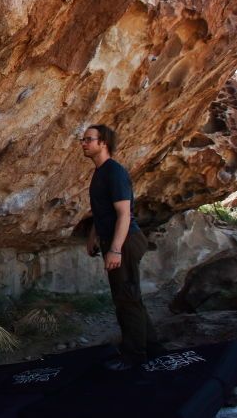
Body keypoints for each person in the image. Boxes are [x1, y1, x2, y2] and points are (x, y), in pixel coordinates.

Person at [81, 124, 163, 371]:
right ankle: (153, 347)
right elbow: (102, 211)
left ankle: (134, 356)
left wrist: (115, 249)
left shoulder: (114, 172)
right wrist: (93, 236)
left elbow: (123, 214)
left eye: (88, 139)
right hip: (116, 241)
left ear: (103, 142)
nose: (83, 143)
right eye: (83, 139)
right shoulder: (100, 172)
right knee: (130, 298)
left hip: (126, 241)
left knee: (126, 301)